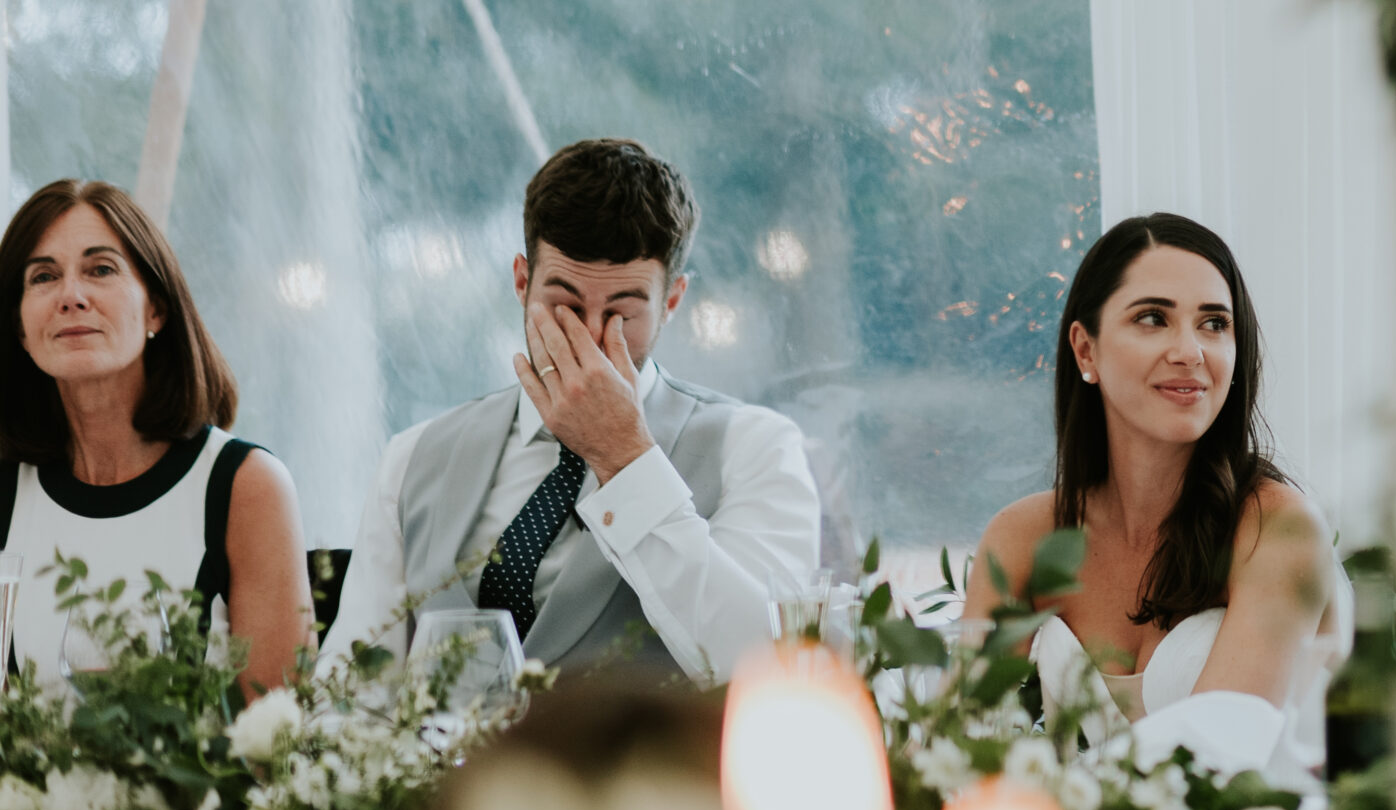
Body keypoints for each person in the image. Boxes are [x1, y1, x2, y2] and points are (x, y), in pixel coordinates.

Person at [326, 139, 819, 681]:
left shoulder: (752, 447)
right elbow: (352, 686)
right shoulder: (412, 457)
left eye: (622, 313)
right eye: (563, 304)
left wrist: (625, 458)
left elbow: (764, 664)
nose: (587, 336)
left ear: (671, 302)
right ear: (522, 281)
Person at [965, 212, 1344, 777]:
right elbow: (963, 748)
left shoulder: (1279, 530)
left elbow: (1213, 767)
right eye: (1153, 318)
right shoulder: (1023, 537)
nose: (1190, 350)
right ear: (1086, 350)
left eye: (1214, 324)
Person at [0, 180, 312, 693]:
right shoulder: (11, 489)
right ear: (19, 325)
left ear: (156, 310)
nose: (71, 297)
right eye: (43, 277)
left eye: (100, 269)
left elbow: (273, 741)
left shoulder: (244, 487)